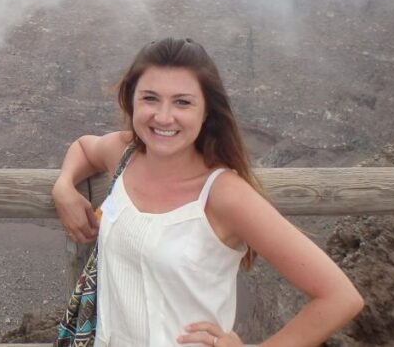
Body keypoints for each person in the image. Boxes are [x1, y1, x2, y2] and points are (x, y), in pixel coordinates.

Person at [52, 37, 363, 347]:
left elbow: (339, 297)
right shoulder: (125, 154)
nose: (163, 116)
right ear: (131, 100)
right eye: (150, 98)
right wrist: (64, 186)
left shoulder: (224, 196)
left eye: (182, 102)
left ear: (207, 112)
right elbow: (84, 147)